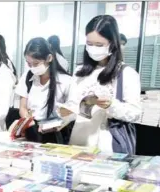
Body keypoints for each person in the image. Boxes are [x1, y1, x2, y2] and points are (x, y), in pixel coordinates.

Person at [59, 15, 141, 152]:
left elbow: (135, 113)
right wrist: (65, 113)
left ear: (112, 44)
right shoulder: (80, 71)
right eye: (89, 44)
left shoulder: (126, 73)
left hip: (108, 145)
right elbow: (74, 107)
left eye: (99, 45)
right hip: (79, 142)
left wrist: (112, 105)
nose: (93, 49)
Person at [16, 37, 72, 144]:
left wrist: (58, 123)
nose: (32, 67)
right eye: (29, 63)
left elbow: (71, 112)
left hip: (55, 134)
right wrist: (28, 120)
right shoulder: (27, 77)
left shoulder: (65, 81)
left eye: (36, 63)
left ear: (49, 58)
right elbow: (22, 107)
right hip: (32, 130)